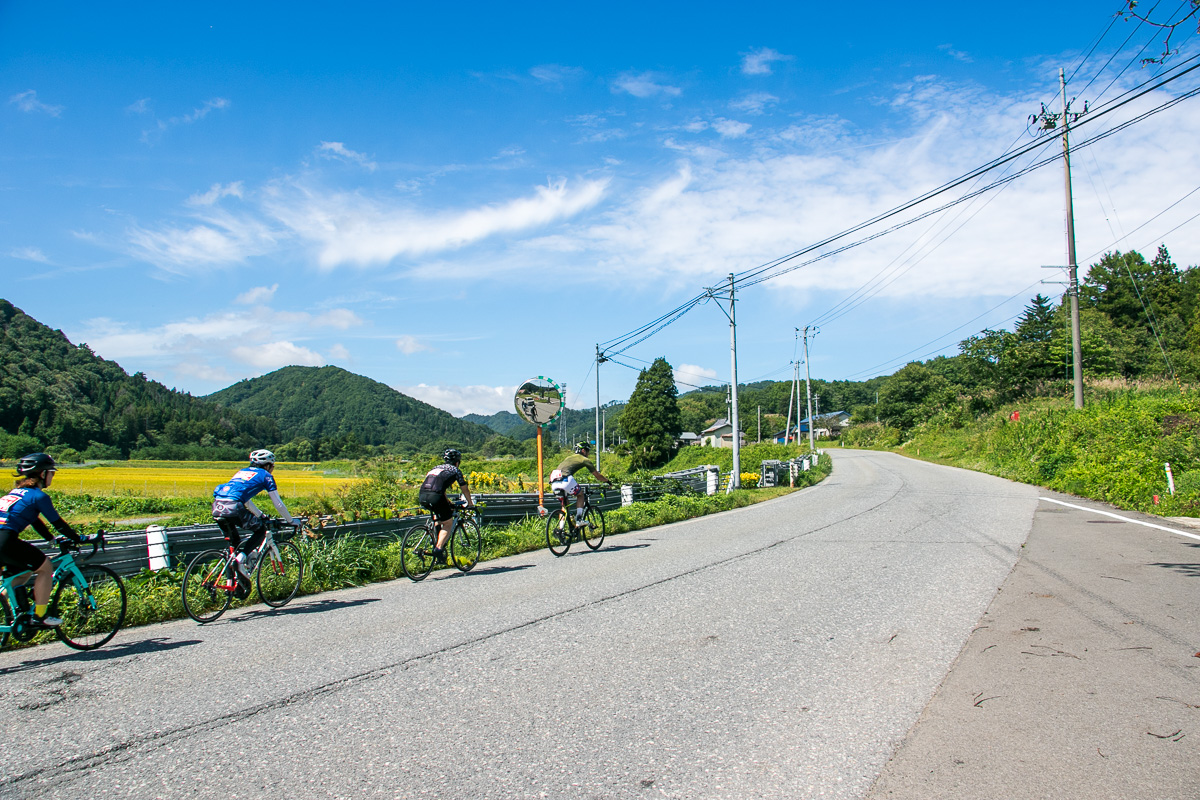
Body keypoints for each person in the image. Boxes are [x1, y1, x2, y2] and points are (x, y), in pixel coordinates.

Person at [0, 453, 84, 627]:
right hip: (4, 541)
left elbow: (34, 520)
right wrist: (79, 538)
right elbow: (58, 523)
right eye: (51, 472)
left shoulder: (16, 493)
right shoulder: (39, 496)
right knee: (45, 567)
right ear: (42, 474)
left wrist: (50, 538)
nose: (53, 476)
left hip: (4, 540)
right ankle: (40, 616)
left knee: (23, 571)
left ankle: (14, 614)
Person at [211, 449, 295, 597]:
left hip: (217, 507)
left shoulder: (242, 472)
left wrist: (260, 515)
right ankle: (241, 559)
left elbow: (247, 501)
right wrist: (291, 520)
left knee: (234, 543)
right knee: (260, 531)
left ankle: (231, 585)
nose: (273, 468)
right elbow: (278, 504)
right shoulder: (266, 476)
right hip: (234, 507)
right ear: (268, 465)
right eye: (272, 465)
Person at [418, 448, 474, 564]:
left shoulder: (435, 468)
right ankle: (438, 549)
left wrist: (447, 502)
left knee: (439, 519)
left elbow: (438, 487)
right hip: (436, 496)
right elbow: (464, 489)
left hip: (422, 495)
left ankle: (436, 543)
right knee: (448, 523)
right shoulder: (455, 470)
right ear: (457, 462)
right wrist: (470, 503)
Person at [550, 442, 612, 527]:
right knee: (580, 495)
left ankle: (561, 530)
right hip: (565, 480)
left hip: (553, 481)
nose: (588, 453)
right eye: (588, 451)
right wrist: (608, 482)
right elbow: (597, 475)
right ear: (583, 450)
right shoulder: (584, 459)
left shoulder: (569, 457)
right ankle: (579, 519)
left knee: (565, 506)